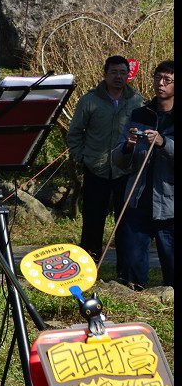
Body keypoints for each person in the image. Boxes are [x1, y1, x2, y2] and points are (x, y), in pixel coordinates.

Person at [67, 55, 144, 278]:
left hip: (124, 171)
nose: (119, 77)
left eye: (123, 73)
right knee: (92, 223)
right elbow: (74, 134)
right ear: (105, 74)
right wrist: (83, 158)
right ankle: (88, 273)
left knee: (125, 225)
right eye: (114, 73)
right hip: (96, 170)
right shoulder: (89, 100)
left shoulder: (136, 101)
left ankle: (125, 275)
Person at [112, 60, 174, 290]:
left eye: (168, 80)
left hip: (170, 204)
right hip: (138, 198)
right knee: (132, 269)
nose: (161, 84)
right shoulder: (140, 113)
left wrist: (163, 142)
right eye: (158, 78)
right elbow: (118, 160)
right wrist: (127, 146)